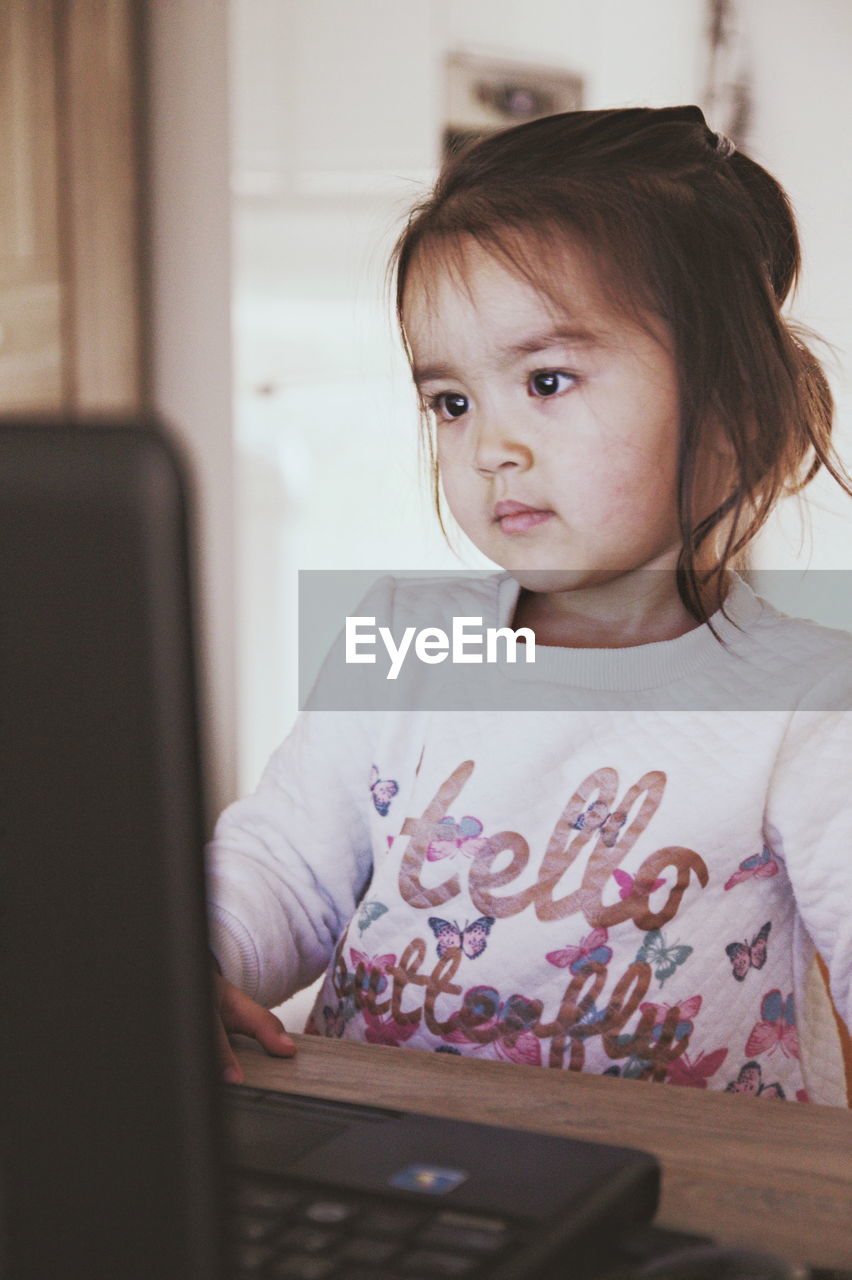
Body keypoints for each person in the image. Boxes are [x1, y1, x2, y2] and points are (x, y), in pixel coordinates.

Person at [208, 106, 852, 1105]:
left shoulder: (806, 700)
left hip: (667, 1212)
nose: (487, 447)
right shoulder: (403, 637)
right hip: (380, 1159)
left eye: (547, 380)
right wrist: (188, 966)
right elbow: (284, 866)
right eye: (451, 402)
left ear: (732, 403)